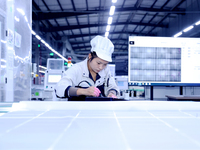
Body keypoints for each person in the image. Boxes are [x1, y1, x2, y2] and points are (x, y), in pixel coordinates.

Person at [55, 35, 119, 101]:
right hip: (77, 109)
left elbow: (112, 86)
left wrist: (112, 93)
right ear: (90, 56)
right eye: (98, 63)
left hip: (99, 109)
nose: (101, 67)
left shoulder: (106, 70)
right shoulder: (77, 69)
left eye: (105, 64)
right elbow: (59, 89)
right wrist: (83, 91)